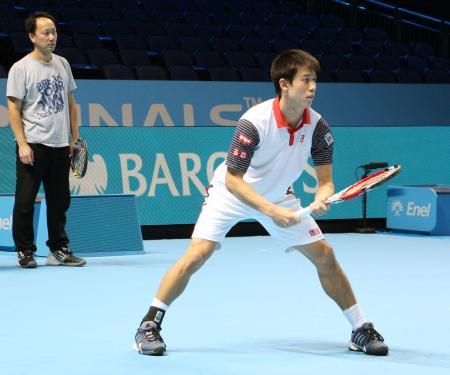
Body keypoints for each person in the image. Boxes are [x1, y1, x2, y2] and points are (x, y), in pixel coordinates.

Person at [134, 49, 388, 356]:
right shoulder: (254, 122)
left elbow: (326, 183)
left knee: (325, 255)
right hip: (231, 194)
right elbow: (233, 180)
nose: (313, 87)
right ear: (284, 84)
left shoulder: (319, 127)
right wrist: (270, 211)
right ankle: (149, 325)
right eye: (305, 80)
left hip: (280, 196)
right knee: (198, 253)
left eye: (314, 80)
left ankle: (360, 328)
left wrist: (322, 199)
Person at [6, 11, 86, 268]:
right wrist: (22, 143)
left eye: (54, 32)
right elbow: (13, 108)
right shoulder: (21, 68)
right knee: (26, 201)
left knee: (60, 200)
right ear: (32, 37)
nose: (52, 37)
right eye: (45, 33)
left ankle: (59, 250)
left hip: (60, 144)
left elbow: (72, 104)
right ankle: (25, 251)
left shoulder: (62, 64)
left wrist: (75, 138)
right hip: (34, 144)